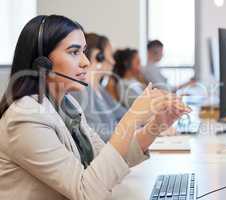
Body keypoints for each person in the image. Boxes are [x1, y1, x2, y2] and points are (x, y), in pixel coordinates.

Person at [0, 15, 190, 200]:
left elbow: (106, 158)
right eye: (74, 52)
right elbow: (86, 193)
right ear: (43, 64)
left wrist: (156, 125)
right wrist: (133, 117)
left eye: (83, 51)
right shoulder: (26, 117)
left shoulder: (68, 105)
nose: (86, 62)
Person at [71, 33, 127, 142]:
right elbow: (99, 134)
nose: (113, 61)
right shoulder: (82, 89)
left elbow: (123, 115)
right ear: (98, 56)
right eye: (110, 55)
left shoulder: (99, 89)